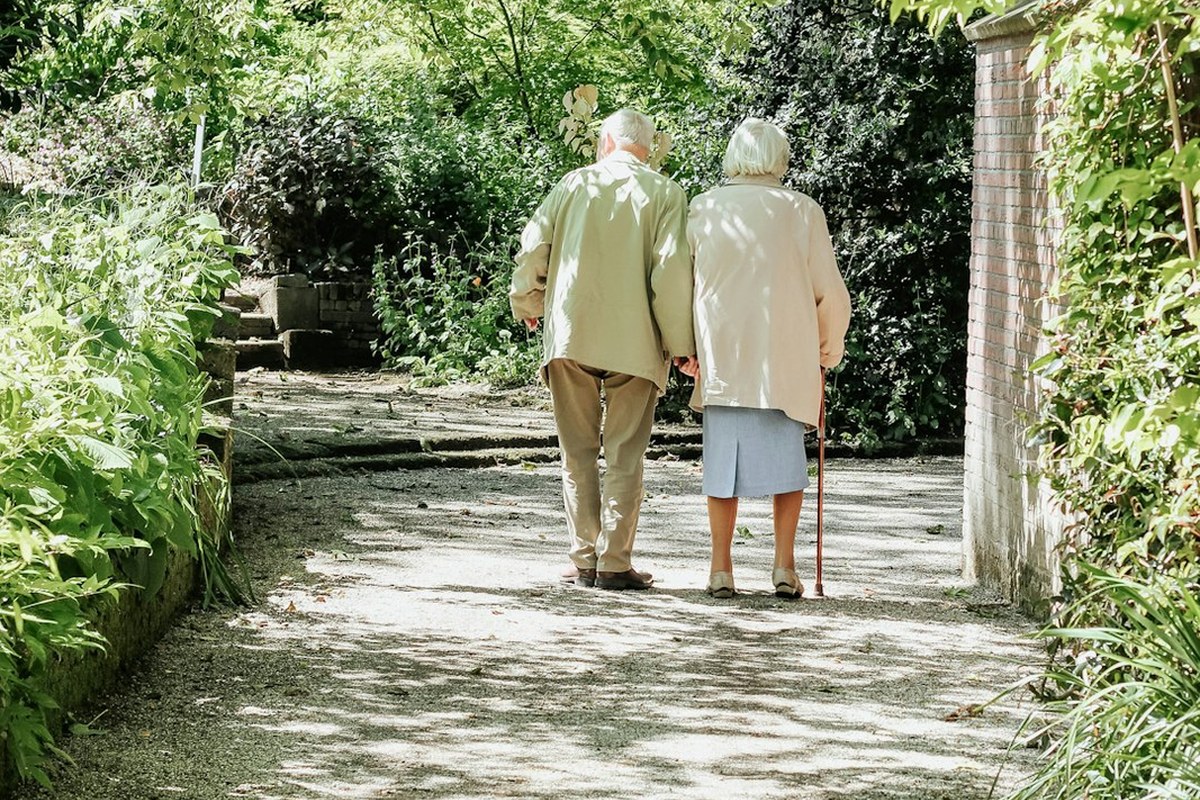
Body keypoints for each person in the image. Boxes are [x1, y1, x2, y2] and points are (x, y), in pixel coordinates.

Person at [510, 108, 696, 591]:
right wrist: (681, 345)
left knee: (577, 452)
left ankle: (583, 558)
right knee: (625, 454)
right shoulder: (666, 193)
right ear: (648, 148)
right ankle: (614, 562)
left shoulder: (572, 185)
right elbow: (671, 273)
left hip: (573, 334)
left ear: (606, 142)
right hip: (636, 342)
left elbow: (534, 248)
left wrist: (527, 300)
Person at [681, 118, 851, 599]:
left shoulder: (704, 208)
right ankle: (783, 565)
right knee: (787, 466)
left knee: (720, 467)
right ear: (780, 159)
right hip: (785, 357)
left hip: (724, 355)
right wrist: (827, 347)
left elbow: (683, 286)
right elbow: (830, 293)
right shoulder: (802, 211)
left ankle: (720, 568)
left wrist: (685, 348)